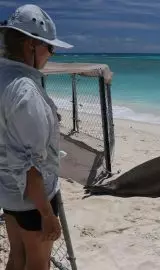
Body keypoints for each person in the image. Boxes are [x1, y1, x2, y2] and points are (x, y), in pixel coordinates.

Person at [0, 4, 73, 270]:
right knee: (38, 263)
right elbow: (29, 163)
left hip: (7, 191)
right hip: (33, 198)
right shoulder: (25, 90)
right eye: (49, 48)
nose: (51, 54)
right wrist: (46, 214)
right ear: (31, 44)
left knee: (16, 257)